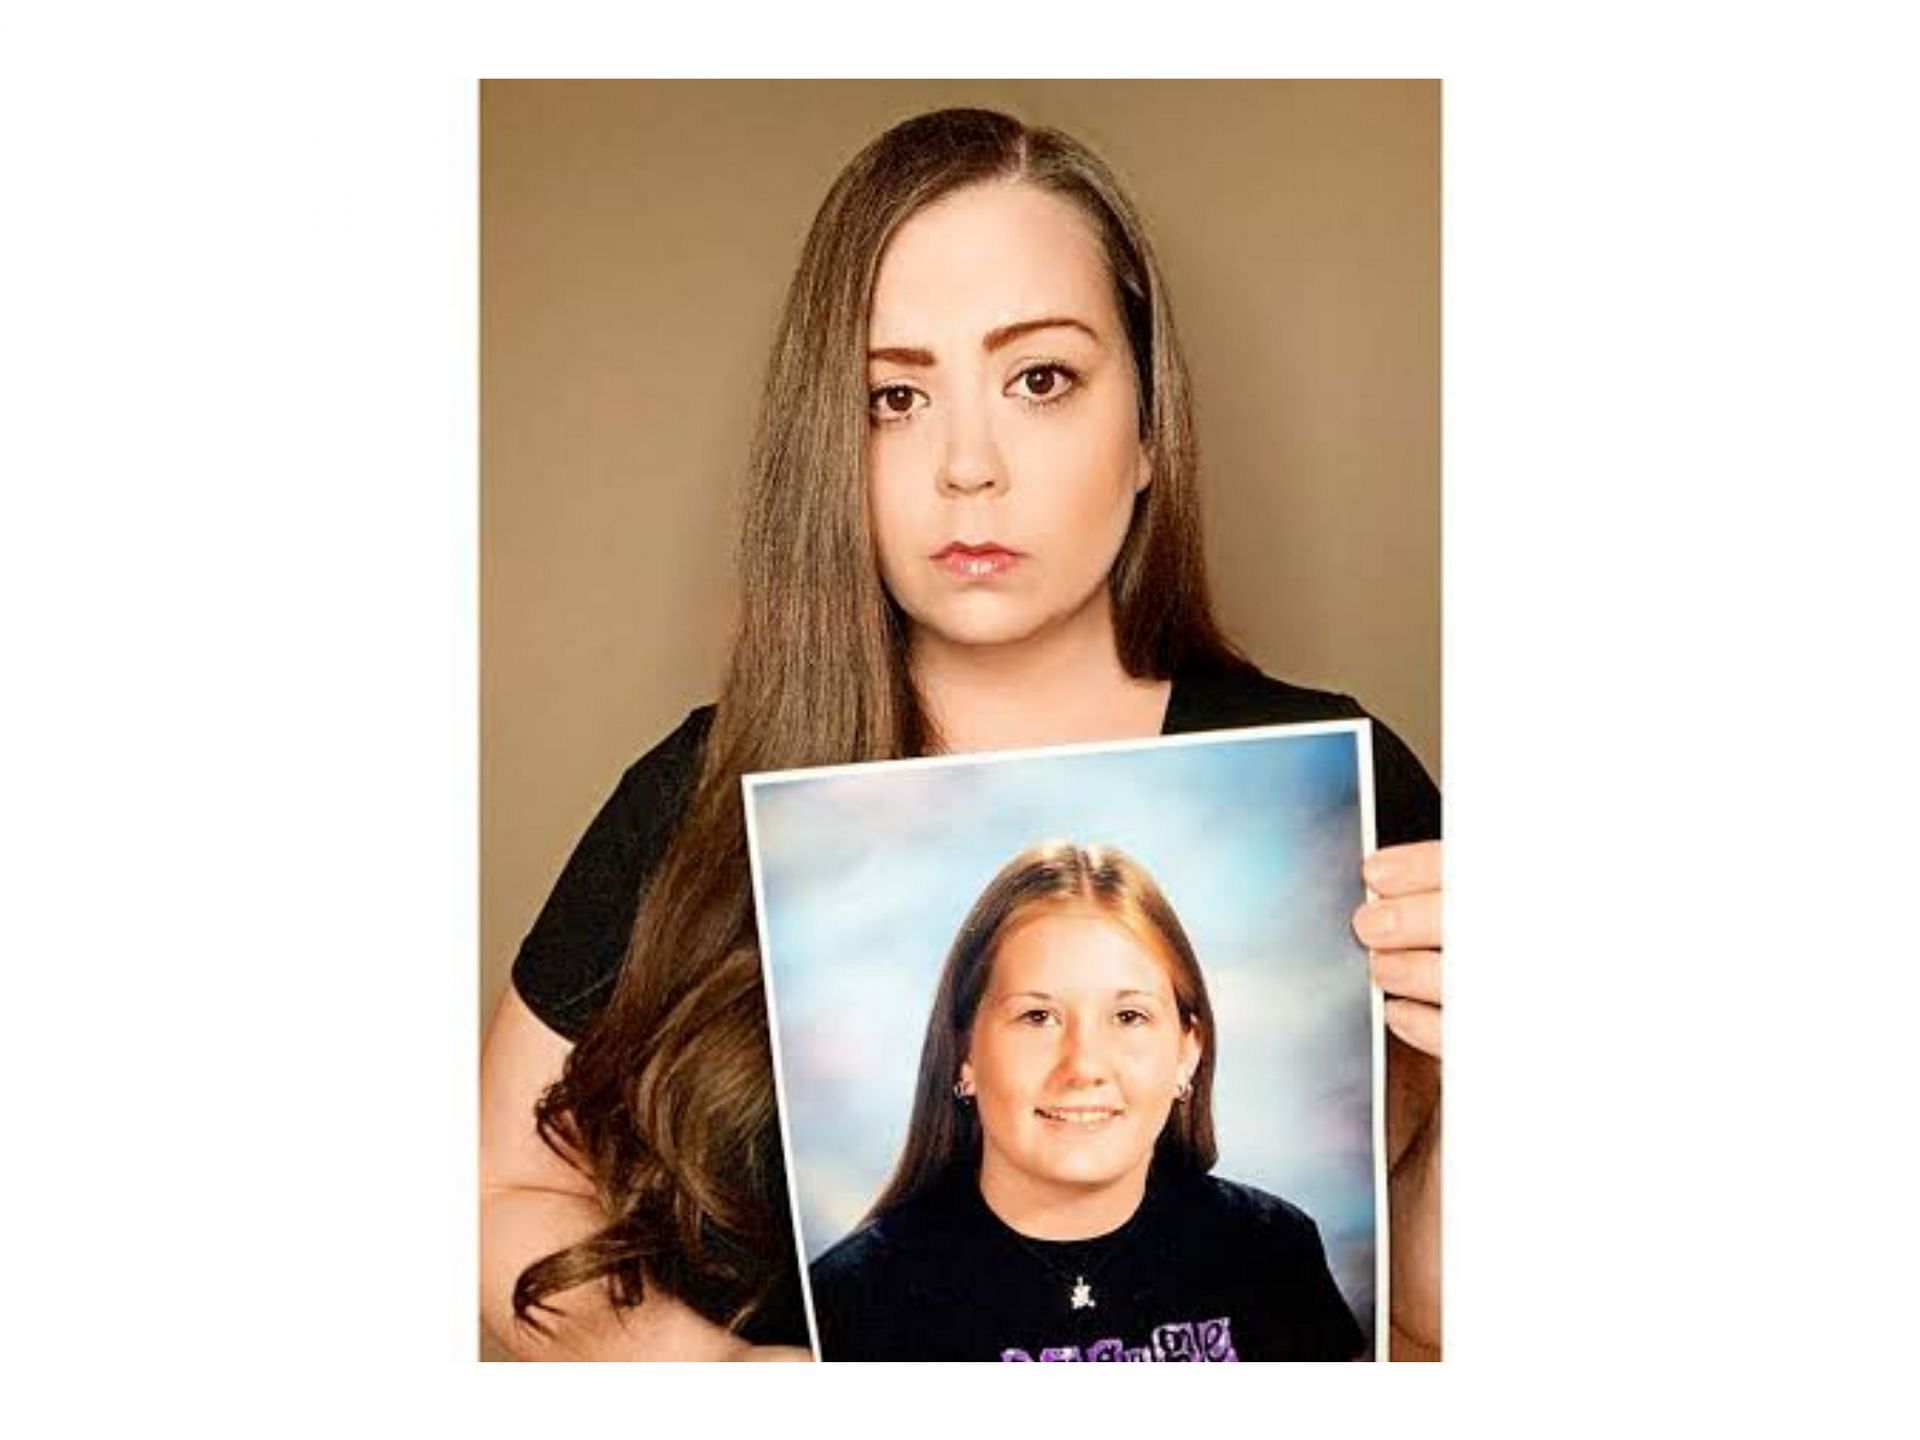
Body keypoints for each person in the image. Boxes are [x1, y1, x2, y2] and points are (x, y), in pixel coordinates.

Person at [479, 106, 1444, 1362]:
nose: (966, 466)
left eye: (1039, 379)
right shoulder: (696, 791)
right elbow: (500, 1188)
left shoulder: (1351, 780)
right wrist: (714, 1376)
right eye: (894, 395)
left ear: (1147, 426)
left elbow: (1423, 1320)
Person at [809, 841, 1368, 1362]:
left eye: (1129, 1017)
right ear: (964, 1055)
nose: (1083, 1067)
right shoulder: (853, 1301)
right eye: (1037, 1017)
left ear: (1187, 1050)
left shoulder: (1270, 1251)